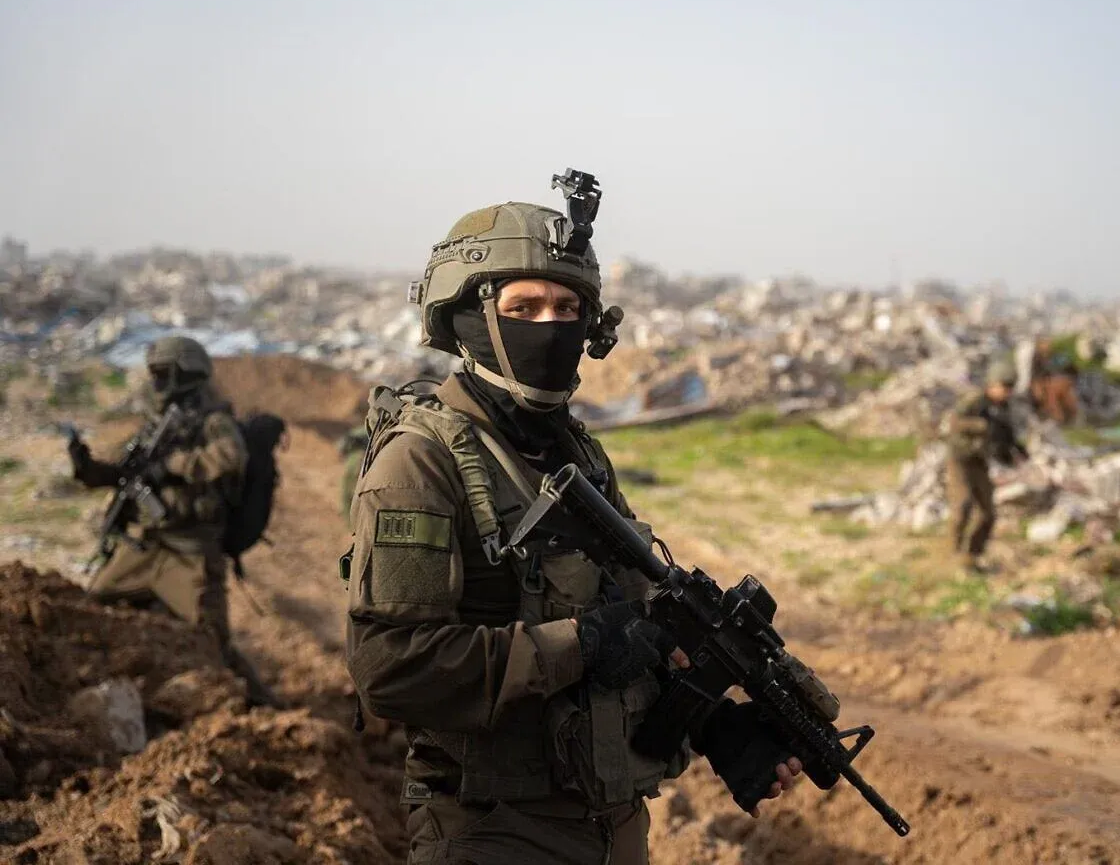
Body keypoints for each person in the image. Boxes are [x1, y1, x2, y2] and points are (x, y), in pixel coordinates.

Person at [345, 186, 801, 864]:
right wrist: (581, 644)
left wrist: (714, 725)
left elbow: (634, 628)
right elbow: (391, 669)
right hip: (493, 830)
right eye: (523, 308)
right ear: (467, 317)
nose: (550, 326)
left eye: (567, 309)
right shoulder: (422, 460)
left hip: (614, 827)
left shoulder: (578, 455)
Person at [69, 336, 279, 708]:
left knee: (212, 641)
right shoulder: (155, 426)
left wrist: (174, 465)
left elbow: (230, 458)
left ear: (188, 373)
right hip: (147, 546)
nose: (157, 382)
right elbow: (125, 472)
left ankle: (263, 708)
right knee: (94, 604)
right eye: (155, 374)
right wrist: (88, 469)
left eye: (164, 374)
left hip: (192, 554)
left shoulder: (213, 421)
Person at [945, 359, 1023, 573]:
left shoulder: (1002, 408)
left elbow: (1006, 437)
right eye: (1004, 387)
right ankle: (954, 554)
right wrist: (981, 426)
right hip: (961, 460)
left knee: (987, 513)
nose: (1007, 392)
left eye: (1010, 388)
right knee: (963, 505)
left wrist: (1016, 452)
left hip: (980, 461)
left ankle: (973, 555)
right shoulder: (975, 401)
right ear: (992, 383)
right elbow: (954, 423)